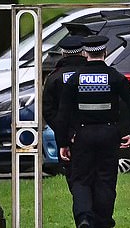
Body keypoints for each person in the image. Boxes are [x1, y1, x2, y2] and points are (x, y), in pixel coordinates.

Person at [55, 35, 130, 228]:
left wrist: (63, 142)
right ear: (104, 52)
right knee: (106, 178)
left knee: (81, 180)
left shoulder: (75, 79)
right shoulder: (115, 77)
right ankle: (103, 221)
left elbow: (63, 113)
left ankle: (84, 217)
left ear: (85, 53)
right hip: (109, 134)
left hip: (82, 136)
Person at [42, 35, 87, 188]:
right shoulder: (92, 73)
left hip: (69, 138)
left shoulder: (55, 77)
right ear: (83, 53)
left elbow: (48, 111)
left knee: (76, 180)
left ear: (63, 53)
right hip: (96, 132)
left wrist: (66, 133)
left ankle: (83, 209)